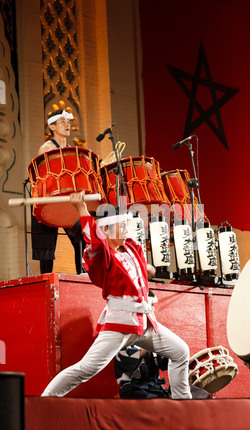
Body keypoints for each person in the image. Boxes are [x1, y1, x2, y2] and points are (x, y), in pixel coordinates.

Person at [41, 191, 192, 399]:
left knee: (180, 351)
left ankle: (183, 402)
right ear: (105, 230)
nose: (126, 230)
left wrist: (146, 269)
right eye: (121, 226)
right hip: (120, 323)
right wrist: (82, 209)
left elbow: (138, 263)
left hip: (144, 322)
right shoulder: (102, 256)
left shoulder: (130, 247)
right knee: (86, 369)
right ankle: (46, 399)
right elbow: (94, 241)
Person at [31, 109, 85, 274]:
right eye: (62, 122)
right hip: (50, 199)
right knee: (47, 247)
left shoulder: (71, 149)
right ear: (52, 127)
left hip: (66, 200)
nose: (67, 125)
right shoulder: (47, 148)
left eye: (68, 122)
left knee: (80, 239)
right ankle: (46, 279)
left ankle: (82, 275)